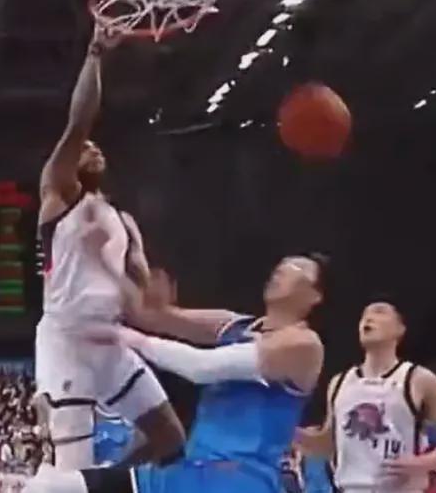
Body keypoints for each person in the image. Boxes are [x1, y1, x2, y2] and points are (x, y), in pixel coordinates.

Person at [23, 254, 327, 493]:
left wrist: (125, 337)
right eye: (281, 265)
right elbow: (155, 316)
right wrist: (116, 265)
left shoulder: (304, 345)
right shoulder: (237, 326)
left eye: (296, 269)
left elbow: (201, 367)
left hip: (237, 480)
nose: (282, 270)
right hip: (188, 472)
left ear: (315, 296)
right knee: (50, 487)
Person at [36, 28, 184, 469]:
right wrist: (95, 53)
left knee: (170, 438)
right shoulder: (59, 195)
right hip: (66, 339)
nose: (93, 148)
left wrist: (154, 300)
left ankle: (106, 481)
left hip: (109, 338)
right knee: (72, 468)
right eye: (85, 149)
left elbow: (139, 301)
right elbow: (79, 122)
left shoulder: (124, 223)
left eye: (97, 147)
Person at [295, 301, 436, 493]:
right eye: (364, 316)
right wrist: (290, 431)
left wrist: (424, 463)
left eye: (379, 312)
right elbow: (329, 444)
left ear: (400, 329)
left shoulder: (418, 379)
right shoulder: (339, 382)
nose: (368, 318)